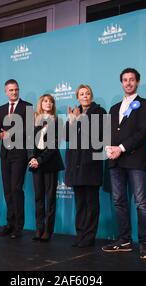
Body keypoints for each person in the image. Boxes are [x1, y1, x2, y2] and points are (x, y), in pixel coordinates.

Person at [102, 68, 146, 260]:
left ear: (138, 82)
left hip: (134, 159)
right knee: (119, 201)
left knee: (141, 203)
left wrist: (121, 148)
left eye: (132, 80)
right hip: (115, 162)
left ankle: (145, 243)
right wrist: (109, 148)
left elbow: (144, 132)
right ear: (121, 83)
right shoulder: (114, 108)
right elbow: (109, 132)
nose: (128, 83)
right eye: (125, 80)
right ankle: (124, 240)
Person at [0, 79, 33, 239]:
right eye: (11, 90)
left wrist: (11, 133)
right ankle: (9, 224)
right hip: (5, 155)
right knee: (8, 190)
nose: (14, 92)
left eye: (16, 90)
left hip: (19, 154)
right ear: (5, 91)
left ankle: (18, 227)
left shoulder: (27, 106)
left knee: (16, 189)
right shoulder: (1, 109)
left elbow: (29, 131)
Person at [65, 84, 106, 248]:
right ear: (77, 97)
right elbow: (67, 137)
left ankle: (89, 236)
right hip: (75, 164)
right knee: (80, 203)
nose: (85, 96)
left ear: (91, 96)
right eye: (81, 94)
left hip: (91, 164)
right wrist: (72, 121)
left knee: (91, 202)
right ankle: (80, 234)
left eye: (87, 93)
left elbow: (99, 136)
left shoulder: (100, 112)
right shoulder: (75, 113)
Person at [27, 94, 64, 242]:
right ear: (41, 104)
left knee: (50, 198)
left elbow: (53, 146)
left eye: (51, 102)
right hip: (36, 164)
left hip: (50, 163)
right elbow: (29, 144)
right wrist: (32, 159)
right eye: (45, 101)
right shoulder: (34, 121)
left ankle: (48, 231)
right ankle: (39, 229)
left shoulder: (57, 121)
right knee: (38, 198)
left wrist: (40, 160)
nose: (48, 104)